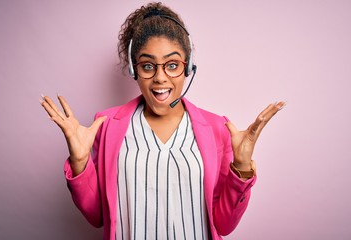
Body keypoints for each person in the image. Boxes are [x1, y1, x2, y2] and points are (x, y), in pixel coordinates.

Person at [40, 2, 285, 239]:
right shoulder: (105, 126)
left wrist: (241, 168)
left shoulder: (217, 129)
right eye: (148, 66)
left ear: (187, 67)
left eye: (172, 65)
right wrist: (80, 163)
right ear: (135, 70)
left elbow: (224, 224)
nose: (160, 77)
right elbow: (97, 217)